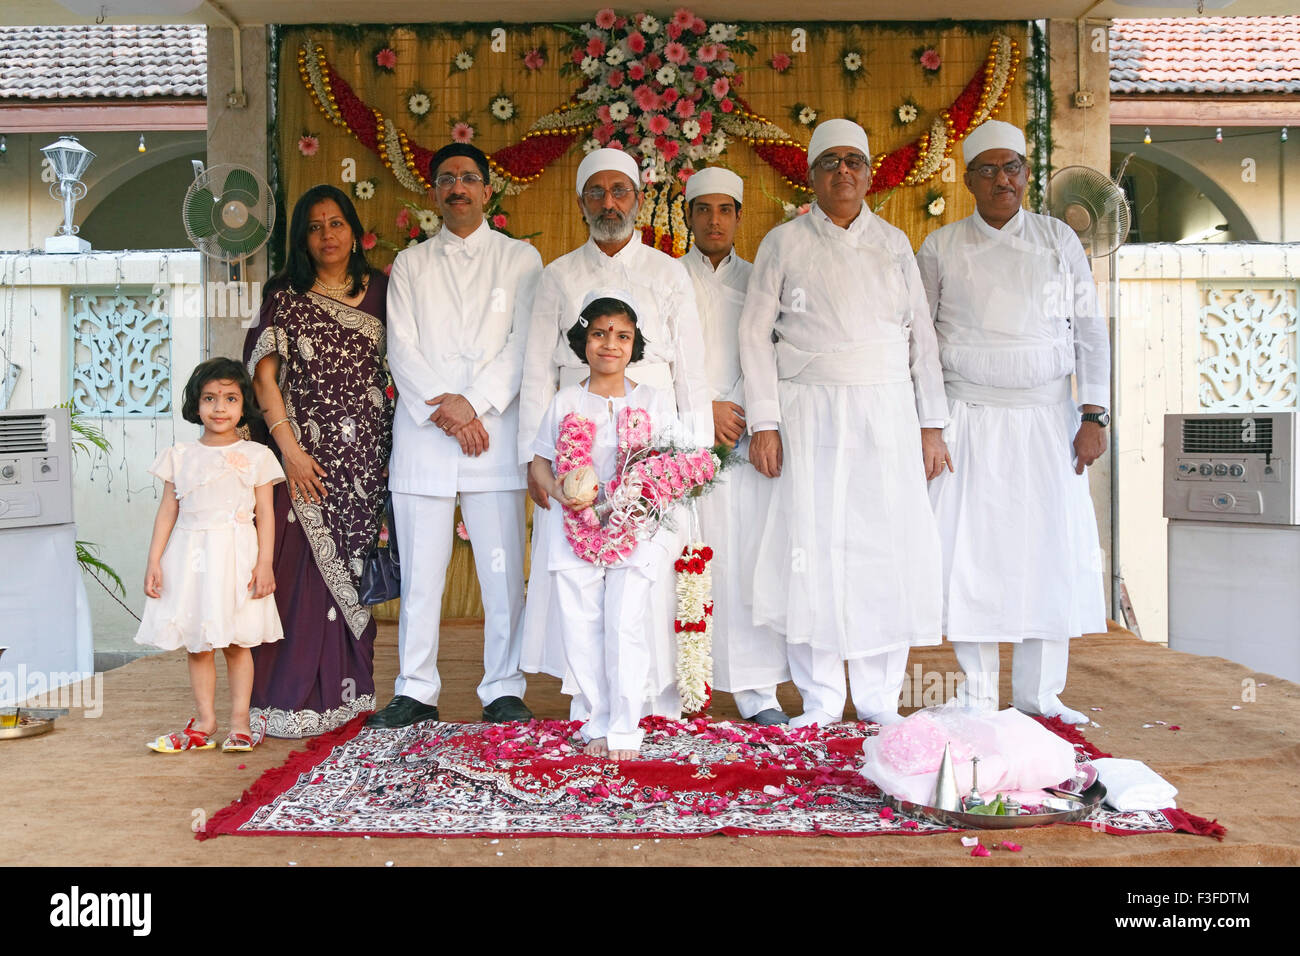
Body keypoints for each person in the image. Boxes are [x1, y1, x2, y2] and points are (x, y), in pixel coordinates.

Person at [739, 118, 950, 729]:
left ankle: (880, 697)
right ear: (811, 175)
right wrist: (765, 422)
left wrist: (931, 425)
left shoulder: (893, 243)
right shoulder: (783, 243)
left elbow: (922, 342)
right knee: (812, 542)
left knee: (883, 545)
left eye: (854, 160)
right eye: (830, 161)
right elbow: (754, 335)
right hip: (807, 410)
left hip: (885, 411)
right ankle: (822, 697)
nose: (844, 172)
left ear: (869, 173)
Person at [917, 120, 1109, 726]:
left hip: (1049, 420)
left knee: (1046, 550)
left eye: (1015, 168)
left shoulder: (1059, 240)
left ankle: (1040, 693)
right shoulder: (941, 247)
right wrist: (929, 424)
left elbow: (1091, 331)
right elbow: (918, 343)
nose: (1005, 180)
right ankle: (974, 690)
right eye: (990, 170)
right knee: (970, 553)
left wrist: (1093, 412)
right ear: (969, 179)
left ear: (1027, 174)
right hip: (967, 420)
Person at [519, 147, 711, 718]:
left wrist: (692, 461)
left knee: (645, 570)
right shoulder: (558, 275)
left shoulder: (668, 271)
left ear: (638, 199)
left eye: (620, 191)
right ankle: (592, 702)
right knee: (580, 579)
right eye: (597, 193)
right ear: (581, 203)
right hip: (577, 442)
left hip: (655, 444)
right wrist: (535, 461)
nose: (609, 203)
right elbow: (535, 369)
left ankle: (654, 700)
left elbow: (692, 372)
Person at [368, 142, 543, 729]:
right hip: (426, 440)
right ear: (433, 192)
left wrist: (476, 404)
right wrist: (450, 412)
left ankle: (503, 688)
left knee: (501, 575)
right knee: (421, 577)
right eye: (447, 180)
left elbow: (525, 345)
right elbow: (402, 348)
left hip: (492, 437)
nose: (459, 189)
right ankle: (415, 689)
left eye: (470, 178)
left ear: (488, 190)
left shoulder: (522, 259)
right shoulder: (412, 265)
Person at [243, 184, 394, 738]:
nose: (327, 235)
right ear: (301, 239)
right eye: (314, 226)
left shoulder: (383, 290)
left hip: (365, 461)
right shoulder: (285, 295)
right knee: (298, 575)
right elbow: (264, 378)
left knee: (350, 575)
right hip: (302, 460)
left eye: (336, 224)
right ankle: (286, 699)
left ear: (354, 231)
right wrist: (291, 451)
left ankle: (347, 697)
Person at [529, 292, 683, 760]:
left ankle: (624, 724)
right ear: (584, 341)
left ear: (634, 344)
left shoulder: (654, 400)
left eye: (621, 335)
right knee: (581, 626)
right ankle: (596, 719)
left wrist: (643, 499)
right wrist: (561, 492)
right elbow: (539, 465)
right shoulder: (564, 401)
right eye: (599, 334)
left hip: (635, 530)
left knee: (625, 625)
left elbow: (674, 467)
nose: (609, 344)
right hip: (574, 530)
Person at [680, 166, 790, 725]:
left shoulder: (761, 276)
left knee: (748, 565)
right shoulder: (670, 277)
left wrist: (741, 409)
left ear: (740, 217)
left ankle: (757, 692)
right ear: (689, 216)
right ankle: (682, 688)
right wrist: (705, 412)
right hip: (687, 442)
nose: (715, 219)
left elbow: (775, 348)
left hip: (748, 439)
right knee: (688, 563)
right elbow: (661, 358)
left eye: (725, 209)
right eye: (704, 209)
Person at [136, 357, 284, 752]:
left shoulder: (257, 455)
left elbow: (266, 513)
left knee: (238, 642)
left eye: (230, 399)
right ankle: (204, 721)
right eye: (210, 398)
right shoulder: (179, 455)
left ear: (243, 405)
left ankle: (240, 724)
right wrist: (154, 560)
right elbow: (168, 510)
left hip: (236, 557)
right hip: (189, 557)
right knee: (198, 643)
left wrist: (265, 562)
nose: (220, 408)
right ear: (196, 405)